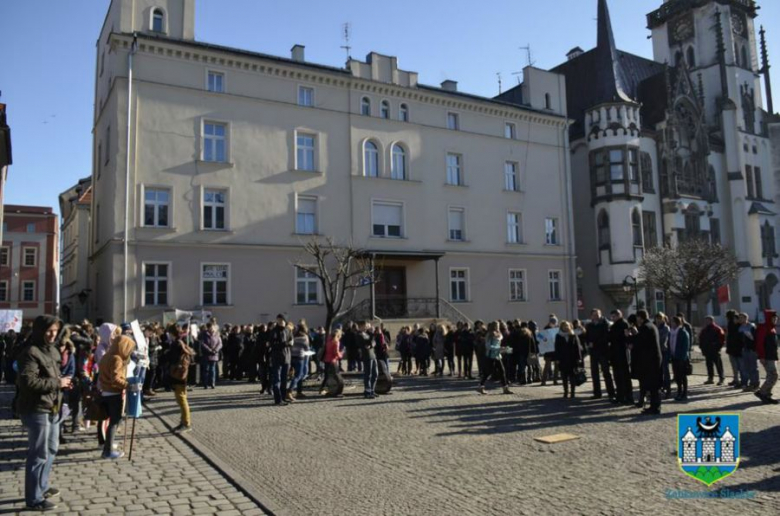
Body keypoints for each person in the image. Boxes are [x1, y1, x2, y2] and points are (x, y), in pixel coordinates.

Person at [17, 315, 70, 511]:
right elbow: (28, 382)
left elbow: (51, 376)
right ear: (40, 331)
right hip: (36, 408)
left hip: (53, 406)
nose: (52, 334)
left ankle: (42, 485)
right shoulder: (30, 352)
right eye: (49, 331)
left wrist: (63, 382)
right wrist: (58, 383)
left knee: (52, 449)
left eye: (55, 331)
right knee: (38, 454)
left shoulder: (53, 350)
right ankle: (34, 499)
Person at [98, 335, 136, 459]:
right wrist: (128, 386)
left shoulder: (106, 356)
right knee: (114, 422)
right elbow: (115, 379)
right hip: (113, 394)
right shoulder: (116, 359)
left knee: (112, 422)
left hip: (105, 393)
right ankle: (107, 451)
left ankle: (107, 447)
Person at [629, 310, 662, 415]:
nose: (637, 320)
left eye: (637, 318)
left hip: (650, 360)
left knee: (653, 386)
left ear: (640, 318)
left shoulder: (645, 327)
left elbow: (641, 342)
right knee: (653, 385)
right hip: (653, 359)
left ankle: (655, 407)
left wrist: (631, 337)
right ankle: (653, 406)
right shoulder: (651, 325)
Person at [167, 325, 195, 432]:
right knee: (181, 398)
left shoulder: (177, 344)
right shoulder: (180, 342)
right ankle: (183, 421)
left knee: (182, 399)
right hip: (180, 374)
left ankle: (186, 423)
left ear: (172, 333)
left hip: (178, 374)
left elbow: (173, 359)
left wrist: (166, 355)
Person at [585, 309, 614, 400]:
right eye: (594, 315)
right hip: (593, 352)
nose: (596, 316)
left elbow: (606, 337)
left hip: (603, 351)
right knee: (594, 373)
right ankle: (597, 393)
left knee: (606, 372)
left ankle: (611, 393)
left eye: (597, 314)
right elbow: (587, 337)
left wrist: (595, 343)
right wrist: (589, 343)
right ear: (591, 316)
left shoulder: (604, 324)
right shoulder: (589, 326)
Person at [478, 321, 512, 395]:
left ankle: (505, 388)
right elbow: (488, 346)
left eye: (498, 325)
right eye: (496, 325)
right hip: (490, 356)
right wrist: (498, 348)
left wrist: (504, 349)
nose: (497, 327)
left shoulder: (499, 334)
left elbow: (498, 344)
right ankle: (481, 386)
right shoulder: (489, 334)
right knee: (488, 372)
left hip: (497, 356)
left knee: (502, 371)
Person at [608, 310, 633, 405]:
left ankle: (628, 397)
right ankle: (620, 396)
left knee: (624, 376)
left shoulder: (624, 324)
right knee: (617, 376)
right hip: (615, 353)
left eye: (614, 316)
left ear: (619, 315)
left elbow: (626, 338)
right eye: (612, 317)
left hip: (622, 353)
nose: (612, 318)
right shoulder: (614, 326)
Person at [268, 315, 293, 406]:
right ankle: (277, 400)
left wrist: (289, 343)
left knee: (284, 380)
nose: (280, 322)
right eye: (279, 320)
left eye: (282, 320)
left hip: (286, 357)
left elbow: (291, 341)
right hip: (277, 358)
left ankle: (283, 397)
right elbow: (272, 344)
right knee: (277, 379)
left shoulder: (288, 330)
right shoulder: (274, 331)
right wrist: (285, 343)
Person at [555, 321, 583, 399]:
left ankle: (572, 392)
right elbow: (557, 348)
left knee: (572, 377)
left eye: (567, 326)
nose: (566, 327)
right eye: (564, 326)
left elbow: (578, 348)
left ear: (570, 326)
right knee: (564, 377)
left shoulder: (573, 335)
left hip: (572, 359)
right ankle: (565, 392)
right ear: (561, 327)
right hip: (563, 359)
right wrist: (557, 358)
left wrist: (579, 358)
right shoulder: (558, 336)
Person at [755, 310, 778, 404]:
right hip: (767, 356)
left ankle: (766, 394)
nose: (775, 320)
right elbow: (759, 344)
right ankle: (762, 392)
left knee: (771, 375)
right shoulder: (763, 328)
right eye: (773, 318)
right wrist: (762, 356)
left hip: (772, 356)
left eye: (776, 318)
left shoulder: (772, 328)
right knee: (773, 376)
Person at [698, 316, 725, 386]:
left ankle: (721, 378)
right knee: (709, 365)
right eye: (706, 321)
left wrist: (717, 347)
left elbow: (721, 339)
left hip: (715, 350)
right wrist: (702, 348)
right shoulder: (704, 330)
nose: (706, 322)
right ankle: (710, 378)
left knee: (718, 365)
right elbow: (701, 339)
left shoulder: (717, 329)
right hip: (707, 350)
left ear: (711, 321)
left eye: (708, 320)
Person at [289, 322, 310, 401]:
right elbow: (306, 348)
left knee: (297, 374)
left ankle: (299, 391)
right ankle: (290, 390)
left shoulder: (293, 336)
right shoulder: (304, 337)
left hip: (292, 356)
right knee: (299, 375)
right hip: (300, 357)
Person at [319, 326, 344, 396]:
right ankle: (333, 390)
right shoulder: (336, 342)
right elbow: (335, 352)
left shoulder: (328, 340)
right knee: (335, 376)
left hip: (326, 360)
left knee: (327, 375)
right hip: (333, 361)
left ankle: (322, 388)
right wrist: (341, 355)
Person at [738, 313, 759, 391]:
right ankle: (749, 384)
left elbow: (755, 338)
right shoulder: (740, 328)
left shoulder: (751, 326)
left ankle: (755, 384)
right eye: (739, 318)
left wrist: (755, 348)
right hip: (744, 350)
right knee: (746, 368)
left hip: (752, 350)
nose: (740, 319)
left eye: (741, 318)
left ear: (746, 318)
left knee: (753, 367)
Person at [357, 322, 378, 399]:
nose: (366, 327)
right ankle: (367, 391)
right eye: (365, 326)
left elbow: (374, 342)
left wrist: (371, 344)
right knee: (368, 374)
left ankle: (372, 390)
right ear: (361, 326)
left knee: (375, 374)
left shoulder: (367, 334)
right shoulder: (359, 335)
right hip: (367, 356)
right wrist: (370, 342)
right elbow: (365, 344)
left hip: (373, 355)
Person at [654, 313, 672, 399]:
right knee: (658, 371)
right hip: (657, 352)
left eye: (660, 318)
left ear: (663, 319)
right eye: (657, 318)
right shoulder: (656, 327)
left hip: (664, 351)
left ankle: (668, 390)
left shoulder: (665, 328)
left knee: (665, 371)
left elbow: (663, 340)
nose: (658, 320)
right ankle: (660, 389)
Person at [199, 323, 222, 389]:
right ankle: (205, 384)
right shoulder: (204, 335)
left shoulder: (217, 335)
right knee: (206, 370)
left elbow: (220, 343)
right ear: (208, 328)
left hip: (214, 355)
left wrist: (215, 350)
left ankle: (212, 383)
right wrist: (210, 350)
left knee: (212, 370)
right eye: (211, 328)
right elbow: (203, 344)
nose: (212, 329)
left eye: (213, 328)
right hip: (206, 354)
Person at [724, 310, 743, 389]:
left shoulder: (733, 325)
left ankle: (738, 380)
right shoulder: (735, 324)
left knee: (737, 366)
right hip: (735, 348)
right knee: (737, 366)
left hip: (735, 348)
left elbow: (731, 337)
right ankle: (737, 379)